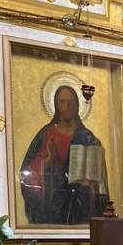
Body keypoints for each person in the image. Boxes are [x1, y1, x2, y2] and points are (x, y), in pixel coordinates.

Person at [20, 85, 109, 225]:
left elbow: (99, 178)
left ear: (77, 105)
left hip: (81, 202)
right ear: (56, 105)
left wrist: (91, 182)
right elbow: (29, 172)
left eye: (70, 102)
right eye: (62, 102)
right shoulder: (47, 134)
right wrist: (49, 160)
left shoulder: (88, 138)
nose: (66, 107)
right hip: (53, 204)